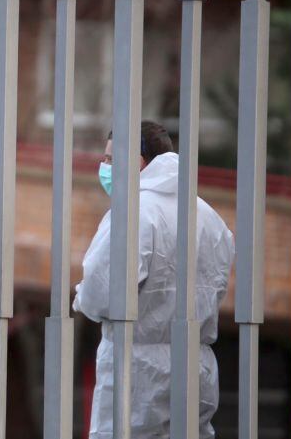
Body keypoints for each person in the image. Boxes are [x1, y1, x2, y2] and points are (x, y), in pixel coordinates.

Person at [73, 121, 235, 439]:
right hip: (196, 367)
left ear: (137, 160)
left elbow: (99, 290)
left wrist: (82, 297)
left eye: (110, 159)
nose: (104, 167)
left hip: (137, 372)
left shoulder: (133, 212)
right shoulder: (207, 217)